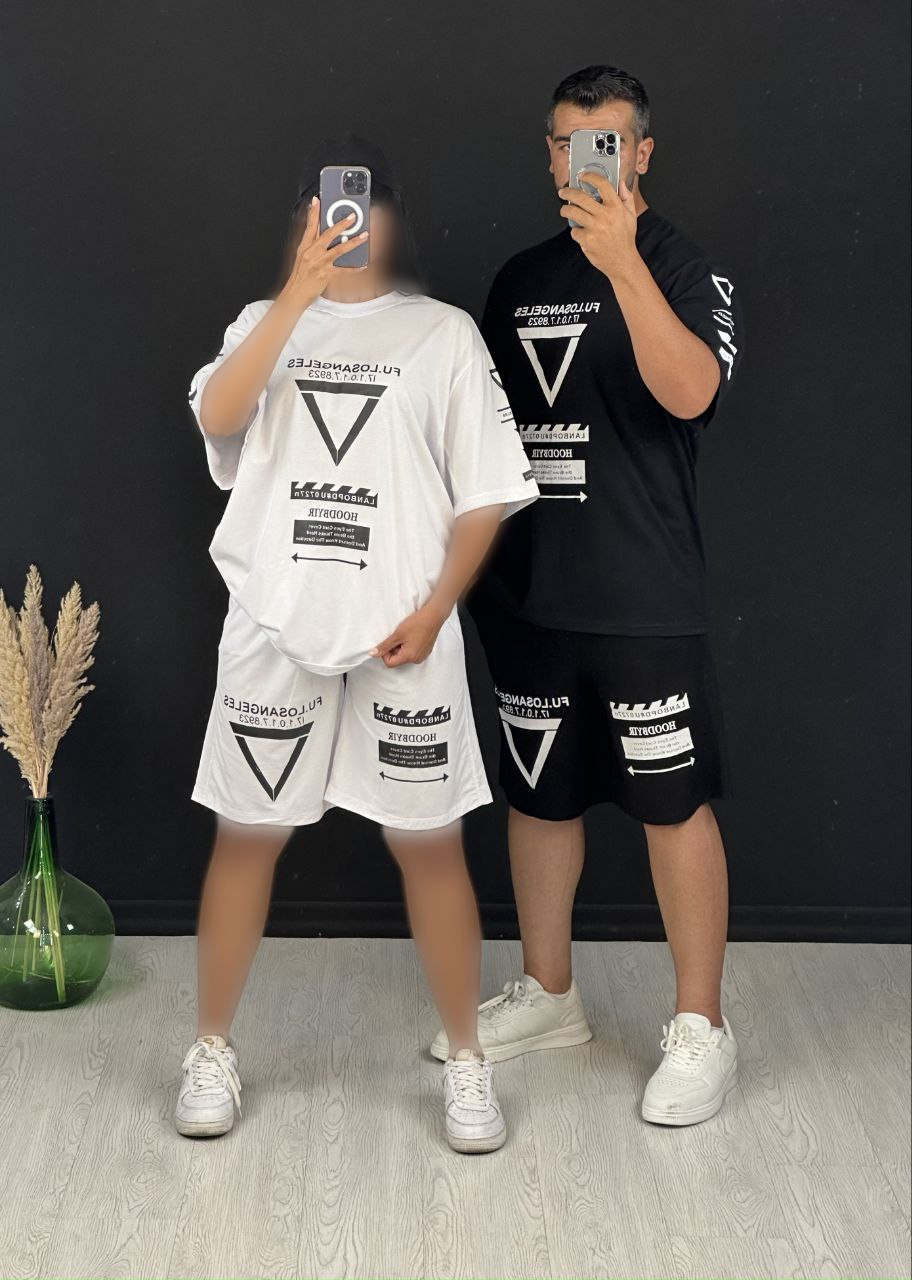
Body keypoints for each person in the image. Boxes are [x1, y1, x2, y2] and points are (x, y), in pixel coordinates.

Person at [176, 135, 538, 1152]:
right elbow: (217, 415)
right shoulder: (260, 323)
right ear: (304, 219)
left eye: (365, 205)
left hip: (404, 629)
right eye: (330, 206)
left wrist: (437, 608)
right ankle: (211, 1047)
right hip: (275, 623)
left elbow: (485, 494)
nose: (348, 221)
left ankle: (466, 1059)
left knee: (430, 841)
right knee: (246, 833)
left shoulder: (442, 334)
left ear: (392, 220)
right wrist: (295, 296)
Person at [431, 67, 743, 1126]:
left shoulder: (683, 266)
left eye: (604, 141)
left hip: (644, 588)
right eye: (567, 143)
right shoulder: (520, 279)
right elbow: (477, 426)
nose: (583, 161)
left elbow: (691, 391)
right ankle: (550, 992)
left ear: (642, 152)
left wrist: (622, 265)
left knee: (672, 803)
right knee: (539, 796)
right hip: (529, 590)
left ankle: (701, 1025)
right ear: (550, 153)